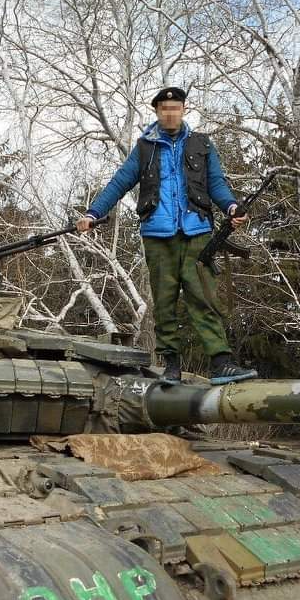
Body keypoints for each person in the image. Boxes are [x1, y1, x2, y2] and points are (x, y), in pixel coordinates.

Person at [77, 86, 257, 384]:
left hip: (197, 232)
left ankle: (220, 363)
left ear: (184, 110)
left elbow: (216, 183)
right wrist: (93, 213)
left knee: (204, 298)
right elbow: (119, 183)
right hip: (158, 236)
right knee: (164, 302)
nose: (171, 113)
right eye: (165, 109)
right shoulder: (145, 148)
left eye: (175, 108)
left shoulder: (201, 144)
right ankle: (171, 364)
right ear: (157, 112)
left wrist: (232, 206)